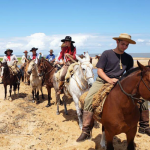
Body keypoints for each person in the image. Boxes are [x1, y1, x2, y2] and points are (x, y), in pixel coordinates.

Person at [76, 33, 137, 142]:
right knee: (89, 99)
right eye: (123, 44)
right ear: (117, 42)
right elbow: (99, 70)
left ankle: (144, 125)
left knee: (141, 98)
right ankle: (85, 130)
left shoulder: (128, 58)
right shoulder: (107, 53)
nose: (125, 47)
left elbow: (130, 74)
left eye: (127, 45)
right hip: (103, 80)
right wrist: (109, 80)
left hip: (120, 83)